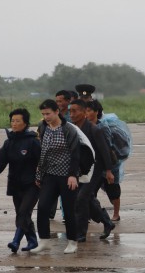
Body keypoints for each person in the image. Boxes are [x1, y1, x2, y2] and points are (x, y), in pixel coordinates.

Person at [33, 99, 84, 254]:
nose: (46, 116)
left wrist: (73, 175)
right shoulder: (43, 127)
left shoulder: (68, 129)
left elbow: (76, 153)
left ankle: (72, 241)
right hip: (49, 174)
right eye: (43, 114)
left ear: (57, 112)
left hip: (66, 175)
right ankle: (44, 240)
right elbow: (42, 151)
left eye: (48, 113)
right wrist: (39, 174)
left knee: (68, 210)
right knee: (42, 208)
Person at [0, 108, 41, 252]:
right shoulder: (9, 142)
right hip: (15, 184)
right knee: (22, 214)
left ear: (25, 123)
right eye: (12, 121)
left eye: (18, 121)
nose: (14, 124)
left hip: (32, 185)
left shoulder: (33, 142)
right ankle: (32, 240)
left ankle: (15, 241)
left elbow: (43, 162)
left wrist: (41, 179)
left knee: (23, 212)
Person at [69, 98, 116, 241]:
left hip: (94, 170)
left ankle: (81, 233)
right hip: (79, 170)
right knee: (87, 198)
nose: (71, 114)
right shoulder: (71, 129)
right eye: (70, 111)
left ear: (84, 112)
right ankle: (107, 222)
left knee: (81, 199)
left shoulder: (94, 129)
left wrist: (108, 171)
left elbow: (105, 151)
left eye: (74, 111)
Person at [87, 99, 125, 222]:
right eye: (85, 110)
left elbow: (109, 147)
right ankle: (94, 214)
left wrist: (109, 169)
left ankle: (116, 213)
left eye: (89, 110)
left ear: (96, 112)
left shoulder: (102, 127)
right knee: (90, 192)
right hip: (94, 166)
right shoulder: (85, 126)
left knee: (113, 190)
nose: (86, 113)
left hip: (108, 164)